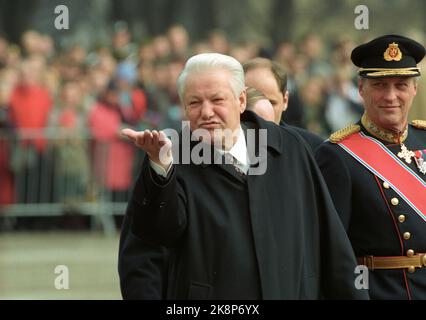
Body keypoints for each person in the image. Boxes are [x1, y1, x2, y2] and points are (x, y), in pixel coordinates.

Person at [118, 52, 367, 299]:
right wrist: (161, 171)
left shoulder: (290, 148)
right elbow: (149, 247)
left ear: (241, 100)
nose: (206, 112)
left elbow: (331, 243)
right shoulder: (172, 157)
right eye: (194, 103)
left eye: (217, 100)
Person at [315, 34, 426, 299]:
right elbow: (332, 253)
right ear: (361, 88)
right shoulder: (338, 154)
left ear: (414, 89)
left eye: (401, 85)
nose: (391, 96)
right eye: (380, 85)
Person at [243, 57, 324, 152]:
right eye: (252, 102)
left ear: (285, 100)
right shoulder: (224, 149)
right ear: (239, 101)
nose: (262, 111)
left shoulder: (310, 147)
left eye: (271, 103)